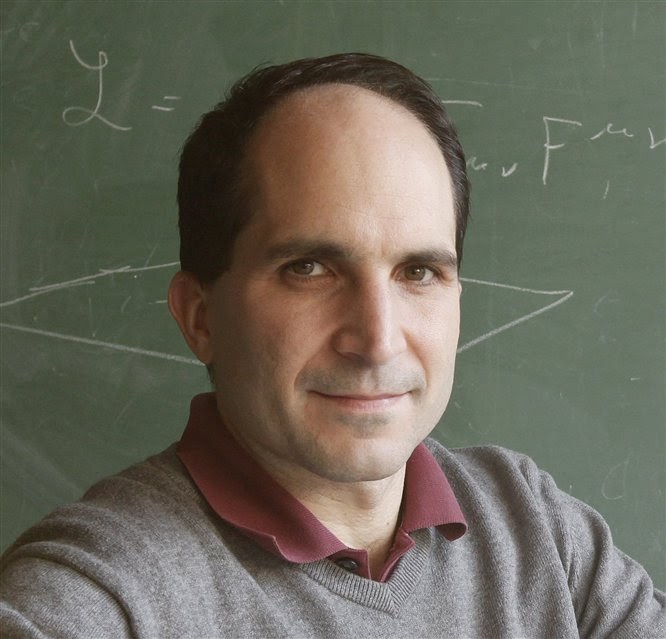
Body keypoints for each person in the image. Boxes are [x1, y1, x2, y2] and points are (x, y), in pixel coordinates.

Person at [0, 53, 663, 638]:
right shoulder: (100, 592)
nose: (377, 341)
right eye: (310, 269)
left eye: (418, 272)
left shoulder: (534, 527)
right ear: (200, 318)